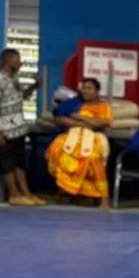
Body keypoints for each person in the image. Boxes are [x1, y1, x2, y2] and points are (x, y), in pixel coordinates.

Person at [0, 48, 39, 206]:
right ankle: (13, 194)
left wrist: (34, 86)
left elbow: (22, 96)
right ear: (8, 61)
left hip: (18, 128)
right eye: (17, 60)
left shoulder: (14, 78)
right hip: (4, 129)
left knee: (19, 162)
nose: (20, 63)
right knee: (7, 163)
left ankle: (26, 193)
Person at [48, 78, 113, 206]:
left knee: (91, 157)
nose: (86, 91)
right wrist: (84, 123)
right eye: (84, 88)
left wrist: (80, 117)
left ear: (97, 91)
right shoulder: (75, 104)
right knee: (58, 150)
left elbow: (103, 123)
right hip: (74, 134)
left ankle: (103, 197)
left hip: (93, 136)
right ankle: (69, 191)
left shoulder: (104, 106)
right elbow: (60, 119)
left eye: (90, 88)